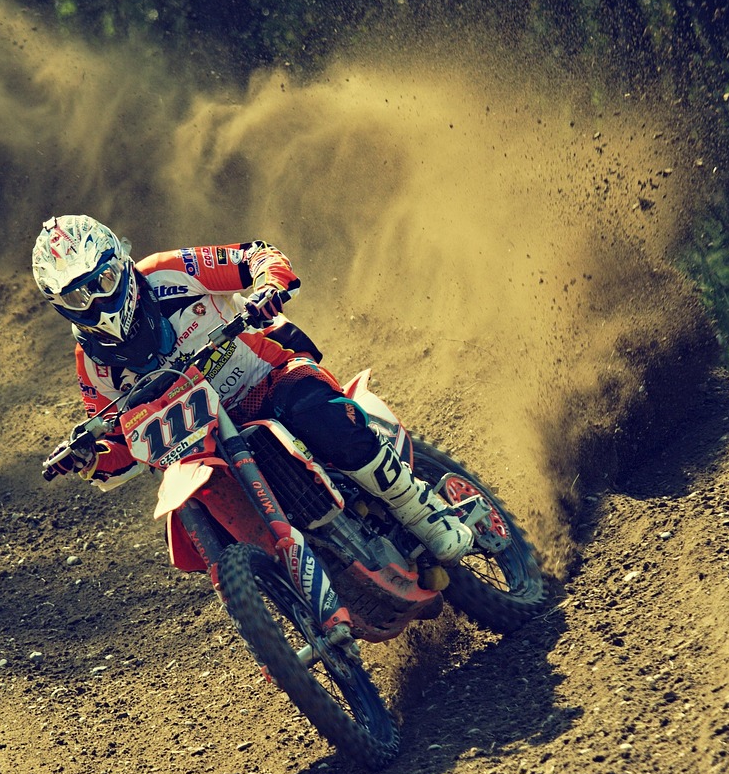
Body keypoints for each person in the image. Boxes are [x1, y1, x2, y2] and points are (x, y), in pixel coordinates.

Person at [33, 214, 473, 564]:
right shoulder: (93, 363)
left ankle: (422, 512)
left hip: (268, 378)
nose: (96, 302)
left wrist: (267, 287)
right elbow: (119, 438)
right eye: (77, 299)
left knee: (311, 410)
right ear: (61, 307)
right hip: (207, 444)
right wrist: (91, 457)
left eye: (103, 282)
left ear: (120, 264)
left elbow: (255, 257)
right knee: (209, 510)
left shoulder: (167, 273)